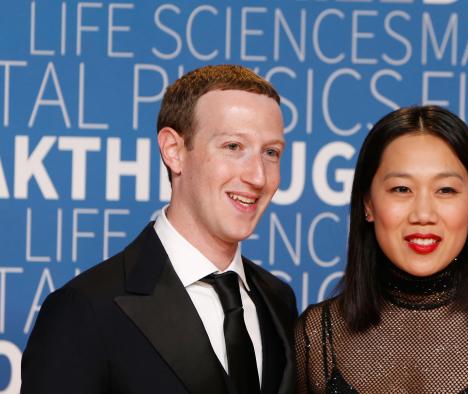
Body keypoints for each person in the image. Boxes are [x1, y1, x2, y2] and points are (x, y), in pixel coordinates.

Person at [22, 65, 298, 394]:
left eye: (271, 153)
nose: (258, 177)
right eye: (233, 147)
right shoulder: (85, 310)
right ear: (173, 151)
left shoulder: (278, 301)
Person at [295, 106, 468, 393]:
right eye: (401, 189)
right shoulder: (318, 335)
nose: (423, 213)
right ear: (368, 203)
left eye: (445, 190)